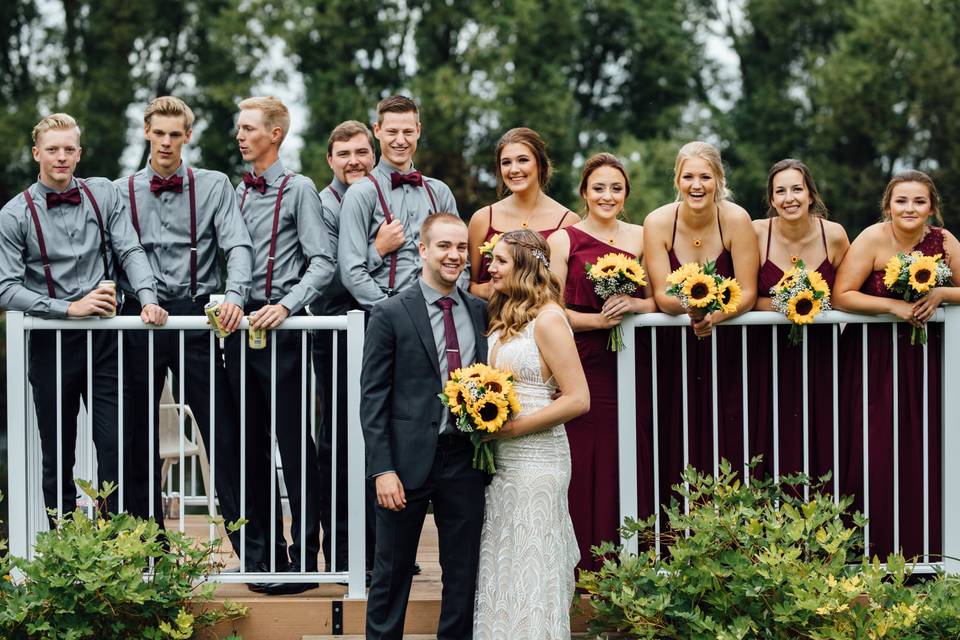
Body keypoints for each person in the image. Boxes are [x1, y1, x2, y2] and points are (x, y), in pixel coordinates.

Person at [0, 113, 164, 519]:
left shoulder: (103, 194)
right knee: (57, 451)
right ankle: (68, 554)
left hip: (106, 342)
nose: (61, 157)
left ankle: (114, 548)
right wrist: (68, 309)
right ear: (37, 153)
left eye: (68, 149)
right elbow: (5, 287)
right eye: (52, 149)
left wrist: (147, 297)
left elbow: (129, 250)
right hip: (51, 343)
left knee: (115, 447)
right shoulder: (13, 214)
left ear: (79, 153)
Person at [117, 96, 252, 554]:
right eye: (160, 133)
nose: (167, 142)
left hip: (195, 315)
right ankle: (147, 549)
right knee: (137, 433)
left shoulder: (215, 185)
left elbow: (236, 246)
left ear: (188, 137)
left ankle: (249, 547)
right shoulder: (122, 191)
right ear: (146, 133)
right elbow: (119, 253)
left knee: (222, 431)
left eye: (176, 134)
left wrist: (234, 296)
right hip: (139, 319)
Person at [226, 96, 336, 594]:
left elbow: (322, 262)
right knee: (248, 446)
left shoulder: (301, 189)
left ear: (275, 134)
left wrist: (287, 307)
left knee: (294, 448)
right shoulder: (235, 191)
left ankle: (305, 561)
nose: (240, 136)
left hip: (284, 333)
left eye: (249, 128)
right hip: (237, 331)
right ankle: (268, 554)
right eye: (239, 128)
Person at [361, 213, 488, 640]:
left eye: (460, 249)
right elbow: (373, 397)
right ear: (423, 250)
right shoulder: (389, 312)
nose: (454, 256)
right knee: (391, 575)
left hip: (465, 460)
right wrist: (382, 469)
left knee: (462, 575)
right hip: (405, 463)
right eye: (444, 247)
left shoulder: (479, 311)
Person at [834, 170, 960, 561]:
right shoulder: (872, 238)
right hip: (874, 362)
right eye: (901, 201)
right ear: (888, 205)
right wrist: (893, 306)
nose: (910, 208)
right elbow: (842, 295)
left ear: (932, 208)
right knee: (875, 445)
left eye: (919, 201)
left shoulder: (944, 241)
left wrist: (941, 292)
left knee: (926, 443)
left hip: (926, 361)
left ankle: (932, 548)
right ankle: (868, 550)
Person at [474, 229, 590, 639]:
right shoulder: (502, 316)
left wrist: (510, 429)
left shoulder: (550, 318)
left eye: (500, 260)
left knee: (533, 563)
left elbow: (578, 398)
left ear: (523, 265)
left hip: (539, 459)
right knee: (505, 561)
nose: (491, 267)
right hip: (503, 463)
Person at [548, 152, 656, 573]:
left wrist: (634, 303)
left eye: (615, 188)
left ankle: (627, 559)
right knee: (581, 456)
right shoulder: (564, 240)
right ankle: (578, 562)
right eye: (598, 188)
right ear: (584, 193)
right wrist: (596, 320)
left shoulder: (643, 236)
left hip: (630, 361)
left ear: (626, 194)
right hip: (583, 360)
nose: (607, 195)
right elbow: (550, 306)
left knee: (625, 452)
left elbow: (658, 299)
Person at [643, 141, 758, 498]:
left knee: (730, 430)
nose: (697, 185)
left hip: (729, 348)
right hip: (672, 350)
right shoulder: (657, 221)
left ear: (719, 180)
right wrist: (691, 311)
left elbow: (748, 291)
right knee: (677, 428)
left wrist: (715, 317)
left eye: (705, 177)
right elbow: (663, 295)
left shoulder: (737, 220)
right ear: (677, 180)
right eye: (688, 176)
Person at [747, 159, 849, 482]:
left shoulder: (833, 235)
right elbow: (746, 296)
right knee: (767, 430)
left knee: (822, 428)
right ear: (771, 199)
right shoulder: (755, 232)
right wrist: (785, 305)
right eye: (780, 191)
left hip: (822, 353)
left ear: (810, 194)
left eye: (796, 189)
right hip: (765, 354)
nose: (789, 198)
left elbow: (847, 291)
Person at [311, 120, 378, 574]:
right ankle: (341, 551)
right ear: (330, 160)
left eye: (361, 152)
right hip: (336, 333)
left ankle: (381, 551)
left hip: (380, 334)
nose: (354, 161)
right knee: (339, 441)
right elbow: (328, 277)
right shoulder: (322, 206)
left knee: (381, 441)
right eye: (345, 154)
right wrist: (376, 249)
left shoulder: (382, 196)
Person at [338, 95, 459, 309]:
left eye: (408, 132)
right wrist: (392, 312)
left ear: (418, 130)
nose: (400, 140)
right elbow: (351, 271)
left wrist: (447, 302)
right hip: (385, 315)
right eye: (392, 132)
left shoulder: (440, 192)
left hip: (439, 312)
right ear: (377, 130)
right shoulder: (360, 193)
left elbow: (461, 260)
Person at [468, 127, 577, 299]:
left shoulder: (568, 222)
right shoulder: (482, 218)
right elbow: (467, 284)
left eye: (523, 160)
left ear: (541, 164)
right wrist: (483, 290)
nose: (514, 169)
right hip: (487, 321)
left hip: (541, 321)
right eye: (506, 162)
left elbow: (567, 293)